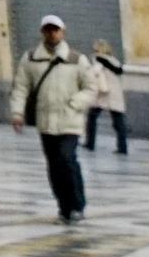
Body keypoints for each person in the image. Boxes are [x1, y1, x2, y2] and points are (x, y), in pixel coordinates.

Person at [12, 14, 92, 223]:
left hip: (70, 121)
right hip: (46, 122)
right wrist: (17, 113)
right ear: (42, 32)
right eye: (48, 29)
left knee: (67, 159)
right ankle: (63, 207)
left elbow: (91, 88)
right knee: (54, 166)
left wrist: (75, 103)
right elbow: (21, 87)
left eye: (55, 29)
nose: (52, 33)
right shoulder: (30, 58)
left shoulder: (76, 59)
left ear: (62, 32)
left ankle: (77, 205)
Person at [82, 38, 128, 156]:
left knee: (92, 118)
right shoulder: (114, 60)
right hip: (115, 93)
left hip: (103, 92)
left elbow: (94, 72)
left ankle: (90, 143)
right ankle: (122, 147)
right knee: (118, 121)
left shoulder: (98, 59)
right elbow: (119, 71)